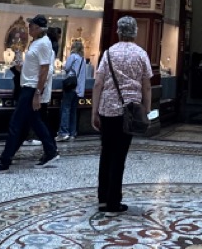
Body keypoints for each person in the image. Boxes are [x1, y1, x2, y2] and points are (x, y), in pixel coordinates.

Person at [91, 16, 151, 214]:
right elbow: (147, 86)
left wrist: (94, 111)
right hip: (130, 111)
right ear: (135, 32)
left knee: (106, 153)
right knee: (120, 156)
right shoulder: (141, 54)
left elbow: (98, 83)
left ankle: (102, 198)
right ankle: (113, 201)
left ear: (118, 31)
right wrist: (147, 110)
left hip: (108, 109)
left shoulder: (108, 53)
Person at [0, 14, 59, 173]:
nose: (29, 28)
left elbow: (45, 70)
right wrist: (21, 68)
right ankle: (51, 152)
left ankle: (4, 162)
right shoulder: (36, 43)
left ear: (39, 28)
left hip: (31, 89)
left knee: (16, 124)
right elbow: (36, 67)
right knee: (35, 123)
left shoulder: (44, 44)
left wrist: (38, 93)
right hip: (28, 86)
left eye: (31, 26)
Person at [58, 38, 86, 141]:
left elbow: (66, 67)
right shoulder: (82, 59)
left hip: (70, 86)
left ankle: (63, 132)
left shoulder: (73, 57)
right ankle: (72, 133)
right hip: (78, 89)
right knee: (73, 110)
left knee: (65, 109)